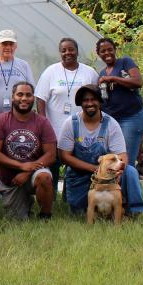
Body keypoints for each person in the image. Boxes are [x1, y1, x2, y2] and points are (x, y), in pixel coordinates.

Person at [58, 84, 143, 217]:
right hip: (79, 175)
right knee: (79, 213)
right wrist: (94, 169)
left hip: (108, 176)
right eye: (85, 100)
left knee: (130, 171)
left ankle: (134, 210)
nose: (89, 103)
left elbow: (122, 157)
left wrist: (114, 176)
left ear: (100, 101)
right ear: (80, 103)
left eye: (93, 99)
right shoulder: (70, 123)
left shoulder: (111, 124)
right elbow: (64, 156)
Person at [35, 37, 98, 192]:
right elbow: (40, 98)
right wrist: (44, 123)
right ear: (60, 53)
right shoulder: (51, 71)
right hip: (54, 130)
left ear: (77, 51)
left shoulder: (89, 72)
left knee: (75, 166)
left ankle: (70, 196)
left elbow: (96, 98)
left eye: (71, 49)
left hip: (80, 130)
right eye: (64, 50)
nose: (67, 53)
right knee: (54, 165)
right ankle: (52, 196)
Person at [0, 82, 56, 220]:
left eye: (28, 95)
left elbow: (51, 155)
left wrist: (27, 170)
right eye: (20, 94)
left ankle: (45, 216)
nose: (24, 98)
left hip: (34, 172)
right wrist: (20, 166)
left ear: (33, 98)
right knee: (16, 221)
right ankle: (25, 203)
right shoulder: (0, 121)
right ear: (13, 97)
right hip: (10, 179)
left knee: (44, 177)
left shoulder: (42, 122)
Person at [96, 37, 143, 169]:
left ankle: (130, 189)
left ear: (115, 50)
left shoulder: (125, 62)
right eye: (103, 51)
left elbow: (138, 82)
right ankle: (116, 189)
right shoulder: (102, 73)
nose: (107, 53)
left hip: (131, 117)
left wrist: (113, 78)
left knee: (125, 162)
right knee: (113, 160)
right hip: (112, 120)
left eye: (109, 50)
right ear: (98, 54)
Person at [0, 29, 35, 122]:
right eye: (4, 44)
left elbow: (32, 91)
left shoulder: (24, 65)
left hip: (19, 120)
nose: (8, 47)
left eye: (11, 44)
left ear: (16, 46)